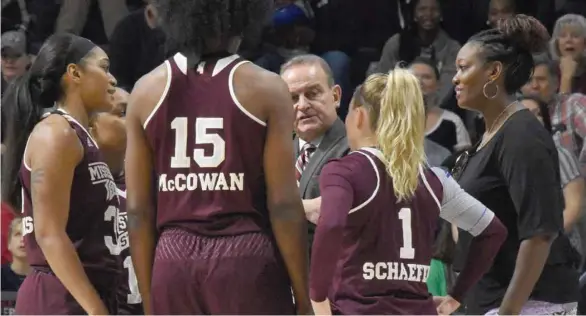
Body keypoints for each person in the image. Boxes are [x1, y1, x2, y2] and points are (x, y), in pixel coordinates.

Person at [124, 0, 311, 314]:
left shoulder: (145, 91)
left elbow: (138, 211)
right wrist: (303, 298)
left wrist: (149, 298)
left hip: (173, 257)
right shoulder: (266, 87)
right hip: (243, 253)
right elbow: (283, 205)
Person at [309, 69, 507, 315]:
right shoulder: (435, 179)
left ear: (358, 116)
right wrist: (456, 295)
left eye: (348, 112)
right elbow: (493, 231)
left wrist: (317, 300)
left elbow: (331, 225)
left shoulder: (343, 171)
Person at [450, 15, 580, 315]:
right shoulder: (491, 135)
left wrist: (508, 311)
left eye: (463, 68)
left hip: (530, 303)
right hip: (491, 300)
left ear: (494, 71)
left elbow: (540, 233)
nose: (455, 78)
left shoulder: (521, 134)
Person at [1, 33, 120, 315]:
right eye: (104, 67)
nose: (113, 79)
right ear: (74, 73)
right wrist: (95, 310)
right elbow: (48, 233)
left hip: (83, 291)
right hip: (60, 297)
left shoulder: (79, 135)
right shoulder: (56, 133)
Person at [280, 54, 350, 244]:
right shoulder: (276, 152)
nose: (302, 105)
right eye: (293, 98)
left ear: (335, 96)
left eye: (312, 93)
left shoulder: (355, 150)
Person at [88, 87, 142, 315]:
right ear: (90, 127)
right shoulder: (74, 187)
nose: (135, 119)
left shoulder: (156, 183)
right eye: (122, 113)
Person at [520, 95, 584, 258]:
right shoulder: (504, 158)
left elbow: (574, 209)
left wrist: (542, 242)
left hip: (559, 247)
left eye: (538, 114)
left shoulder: (560, 154)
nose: (533, 119)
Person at [409, 57, 471, 152]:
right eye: (413, 77)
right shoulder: (390, 118)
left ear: (438, 84)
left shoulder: (452, 121)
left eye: (426, 77)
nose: (419, 81)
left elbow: (464, 160)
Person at [1, 217, 30, 292]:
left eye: (28, 235)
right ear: (9, 244)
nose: (23, 239)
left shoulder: (47, 279)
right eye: (18, 234)